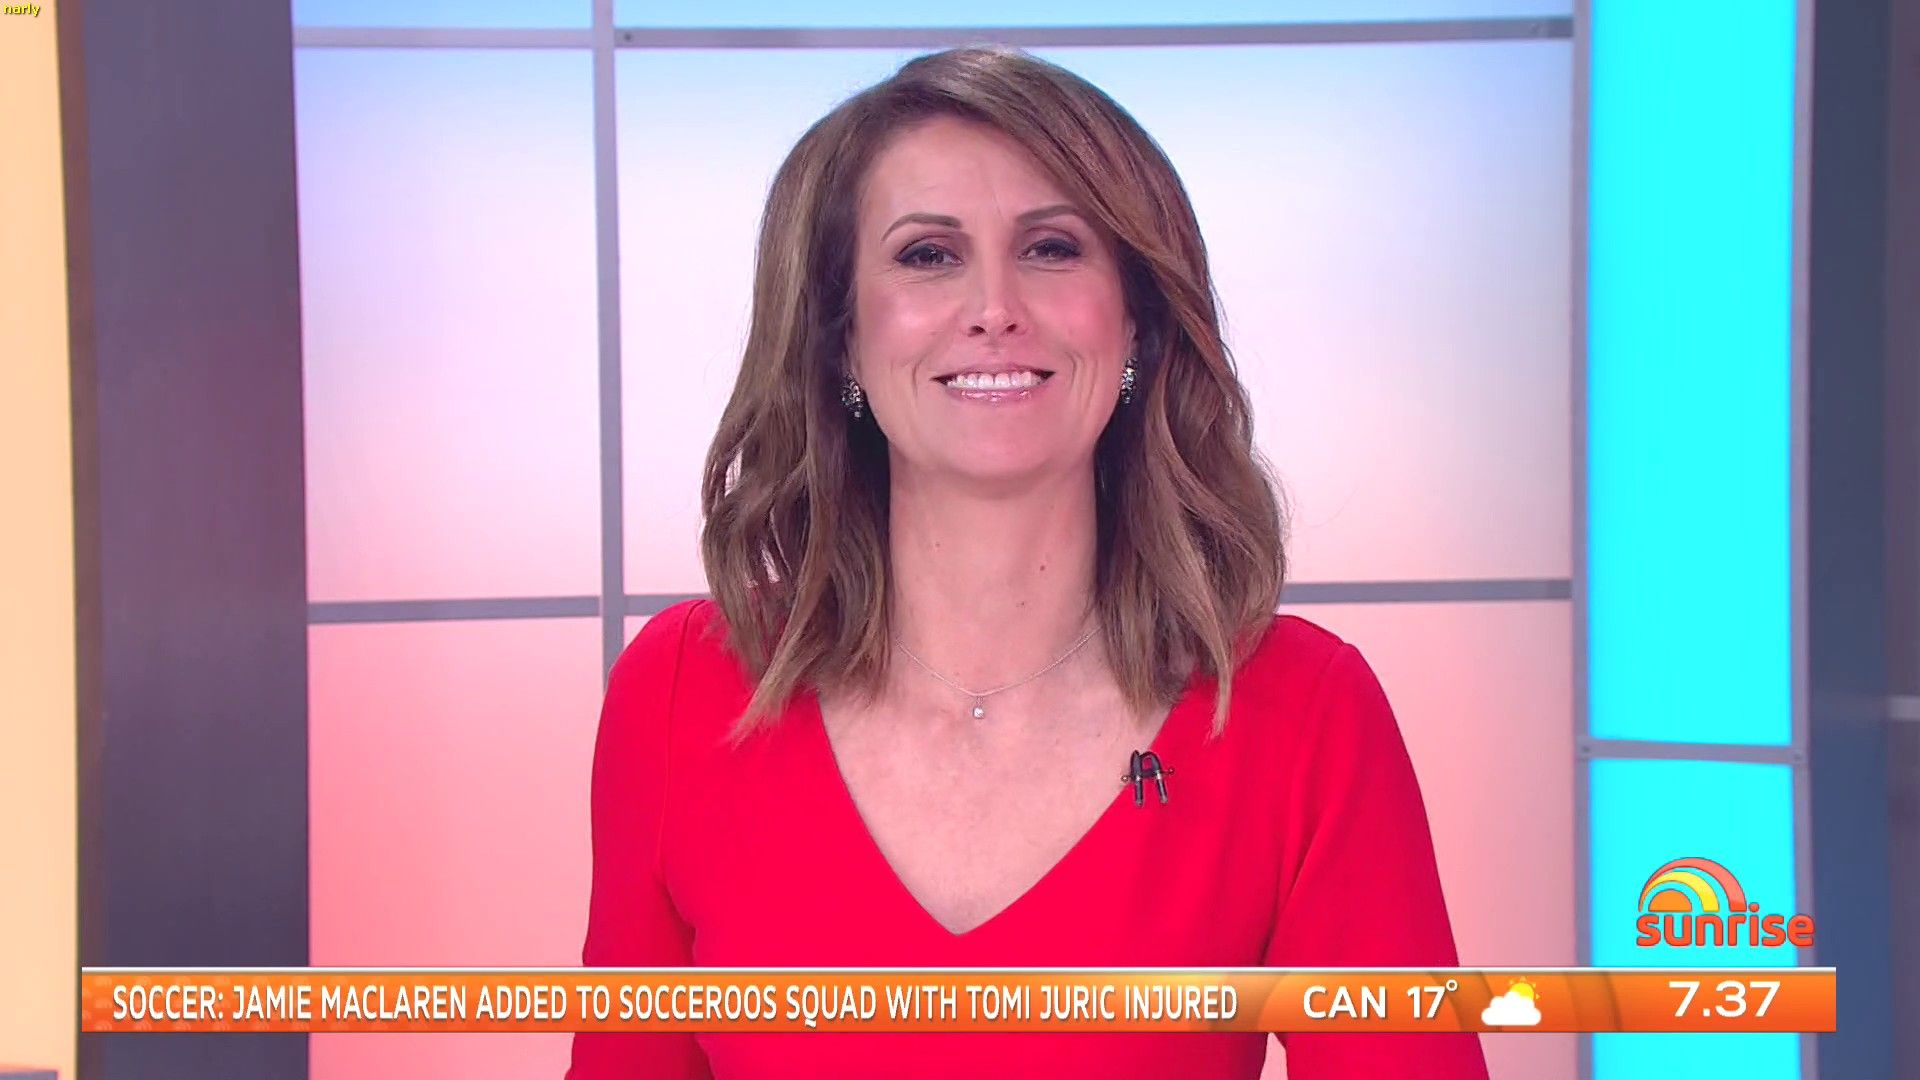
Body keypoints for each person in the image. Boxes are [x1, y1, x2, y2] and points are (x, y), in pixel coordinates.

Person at [568, 45, 1486, 1079]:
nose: (995, 306)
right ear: (840, 339)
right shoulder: (682, 692)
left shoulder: (1302, 713)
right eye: (928, 255)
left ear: (1135, 323)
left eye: (1052, 247)